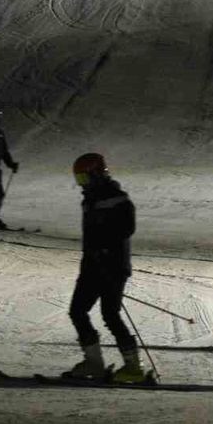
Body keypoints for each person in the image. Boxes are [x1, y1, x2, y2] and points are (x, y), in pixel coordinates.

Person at [66, 153, 146, 383]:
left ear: (97, 174)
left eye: (84, 178)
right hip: (91, 266)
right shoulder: (89, 200)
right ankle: (94, 363)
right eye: (79, 179)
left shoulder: (118, 199)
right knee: (77, 311)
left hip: (113, 266)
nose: (82, 184)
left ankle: (133, 367)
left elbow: (127, 228)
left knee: (110, 314)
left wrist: (105, 248)